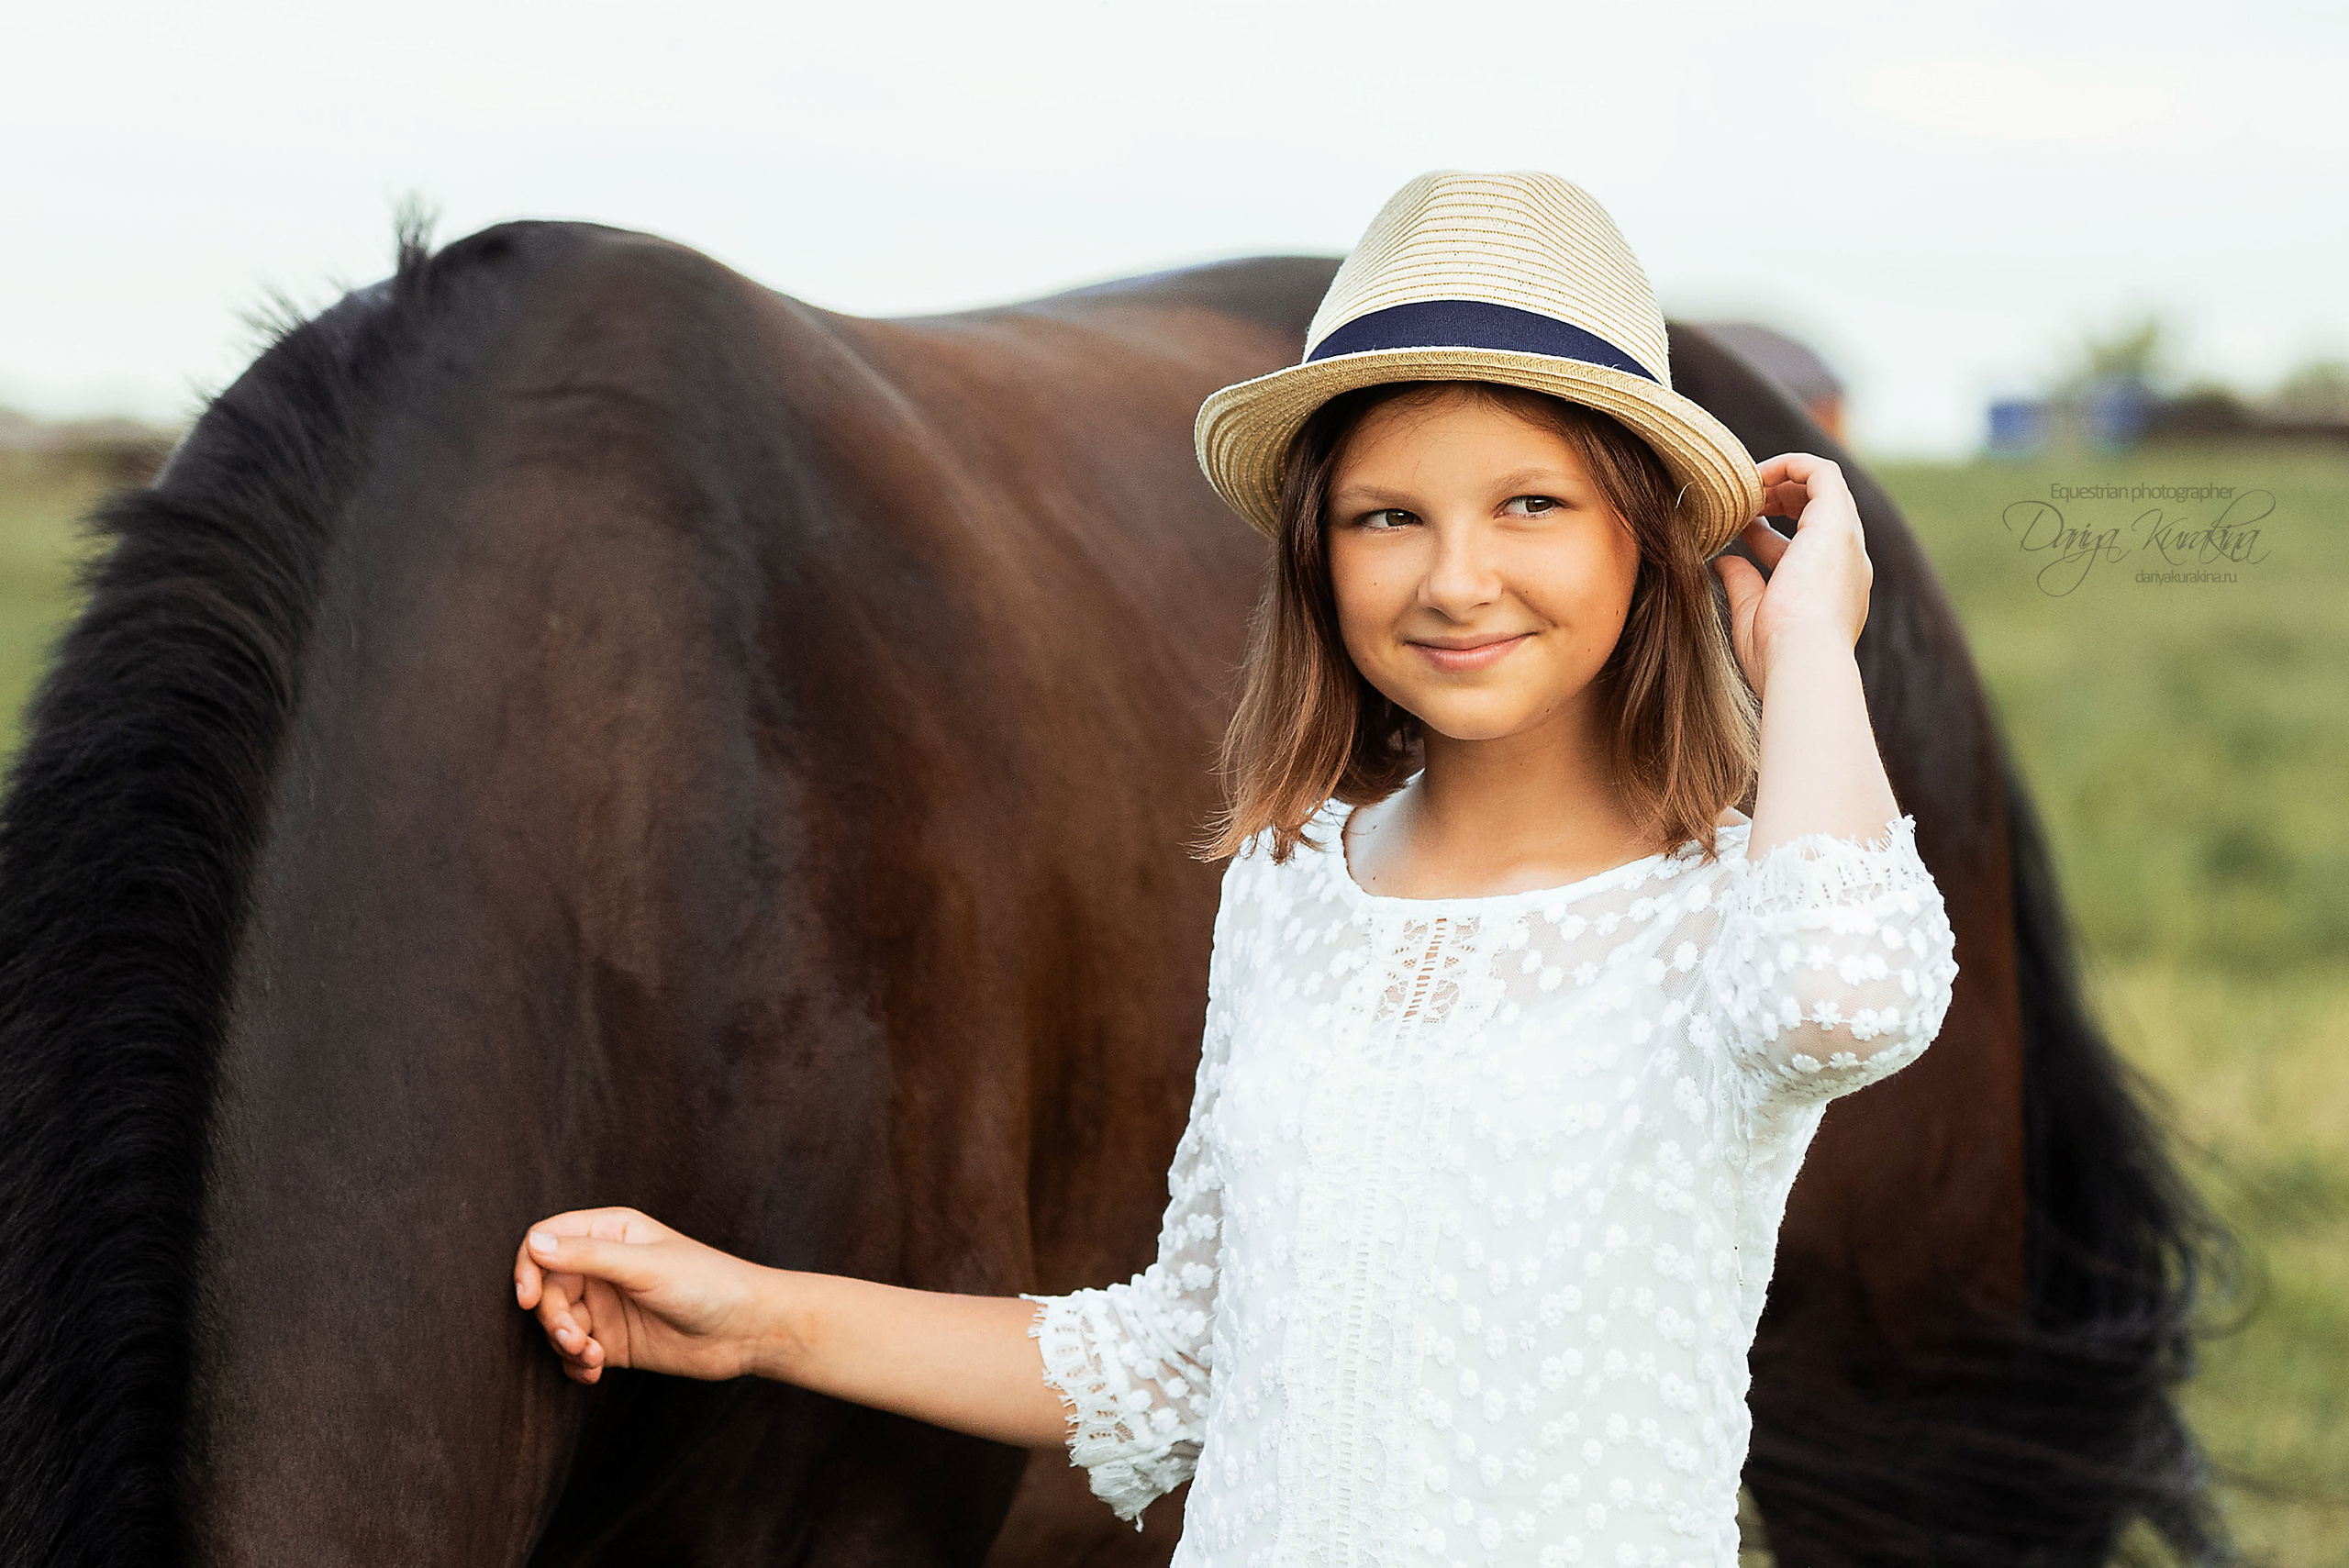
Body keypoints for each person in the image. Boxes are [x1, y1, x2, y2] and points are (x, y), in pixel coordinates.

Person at [512, 170, 1959, 1567]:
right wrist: (755, 1315)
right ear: (1318, 558)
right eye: (1388, 515)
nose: (1456, 578)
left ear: (1645, 536)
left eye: (1533, 505)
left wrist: (1810, 645)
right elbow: (1180, 1358)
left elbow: (1842, 999)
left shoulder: (1729, 899)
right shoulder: (1290, 887)